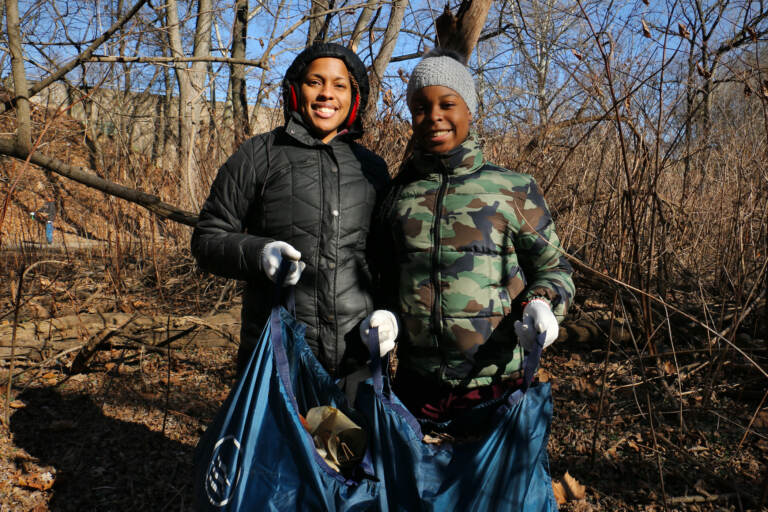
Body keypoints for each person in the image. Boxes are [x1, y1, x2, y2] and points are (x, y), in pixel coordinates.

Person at [368, 49, 575, 421]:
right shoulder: (398, 195)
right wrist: (385, 315)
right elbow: (386, 276)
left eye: (447, 104)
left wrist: (542, 303)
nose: (434, 117)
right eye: (420, 107)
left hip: (497, 385)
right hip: (416, 387)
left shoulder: (513, 188)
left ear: (469, 109)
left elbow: (554, 269)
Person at [191, 43, 397, 378]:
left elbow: (387, 259)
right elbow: (207, 239)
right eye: (315, 82)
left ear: (354, 97)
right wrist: (260, 253)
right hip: (277, 359)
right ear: (296, 89)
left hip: (356, 360)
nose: (326, 94)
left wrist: (390, 315)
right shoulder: (259, 154)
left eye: (339, 85)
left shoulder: (372, 168)